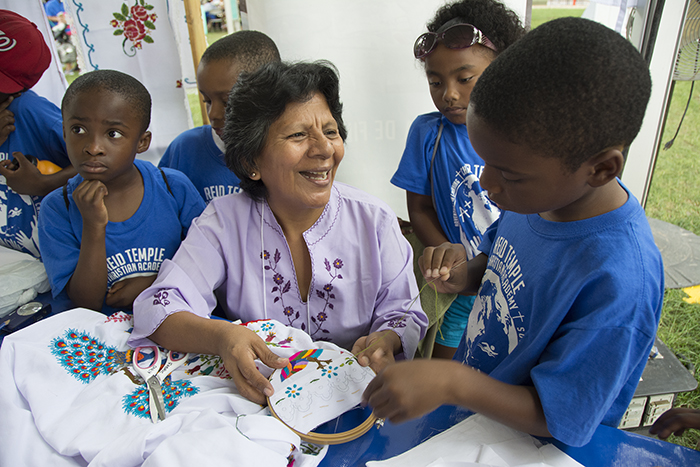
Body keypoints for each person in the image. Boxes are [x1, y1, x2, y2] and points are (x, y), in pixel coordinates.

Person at [362, 17, 664, 448]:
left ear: (601, 168)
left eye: (508, 174)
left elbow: (560, 414)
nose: (486, 184)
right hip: (471, 426)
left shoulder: (621, 280)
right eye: (486, 162)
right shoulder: (535, 199)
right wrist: (464, 273)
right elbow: (496, 261)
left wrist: (452, 382)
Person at [129, 60, 428, 405]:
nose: (324, 149)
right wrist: (223, 336)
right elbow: (158, 306)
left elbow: (402, 312)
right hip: (261, 401)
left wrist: (386, 339)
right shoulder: (225, 223)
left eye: (330, 132)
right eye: (299, 135)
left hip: (355, 400)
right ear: (252, 162)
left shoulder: (374, 221)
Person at [391, 0, 525, 359]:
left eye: (465, 79)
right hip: (456, 288)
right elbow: (418, 209)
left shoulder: (526, 136)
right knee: (444, 366)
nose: (448, 93)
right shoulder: (427, 134)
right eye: (435, 82)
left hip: (512, 287)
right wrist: (452, 263)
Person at [38, 70, 206, 312]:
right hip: (102, 340)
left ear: (142, 142)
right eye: (78, 130)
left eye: (113, 134)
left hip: (178, 326)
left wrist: (154, 283)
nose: (93, 147)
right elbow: (85, 303)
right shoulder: (58, 208)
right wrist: (93, 226)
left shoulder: (173, 188)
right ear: (64, 132)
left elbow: (210, 264)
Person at [159, 31, 280, 204]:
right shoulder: (184, 151)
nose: (213, 114)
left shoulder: (289, 153)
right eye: (207, 100)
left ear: (271, 94)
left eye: (227, 102)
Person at [0, 9, 76, 258]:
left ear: (14, 89)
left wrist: (44, 184)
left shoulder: (30, 111)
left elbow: (108, 163)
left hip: (52, 262)